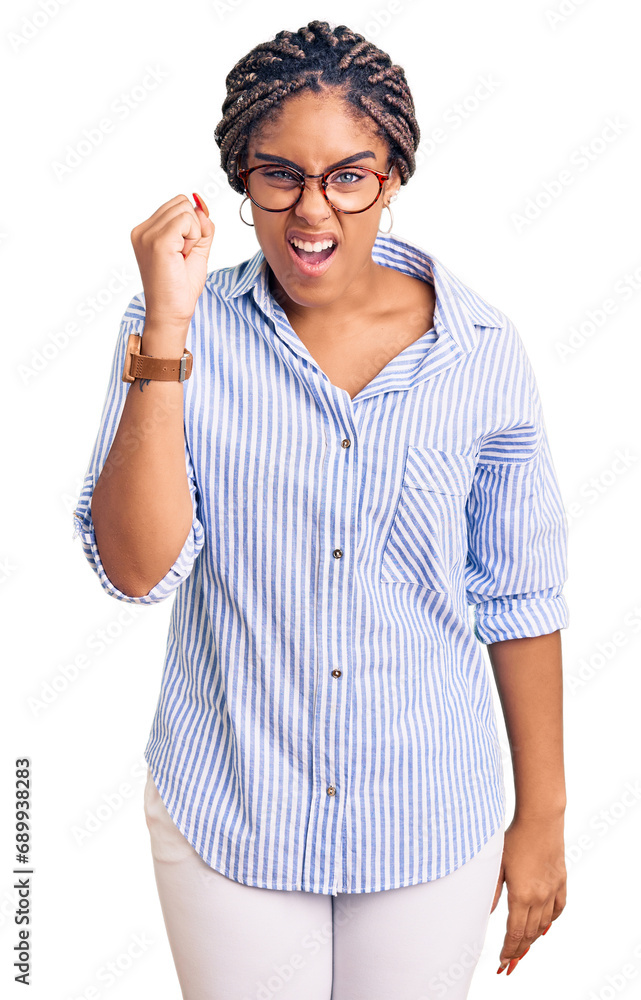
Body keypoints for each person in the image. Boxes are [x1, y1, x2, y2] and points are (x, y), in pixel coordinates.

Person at [73, 19, 569, 1000]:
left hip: (429, 818)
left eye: (349, 175)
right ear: (239, 178)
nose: (313, 212)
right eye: (279, 176)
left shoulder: (478, 352)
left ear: (392, 177)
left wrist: (542, 818)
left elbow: (517, 594)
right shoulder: (170, 328)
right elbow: (137, 568)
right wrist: (168, 330)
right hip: (232, 810)